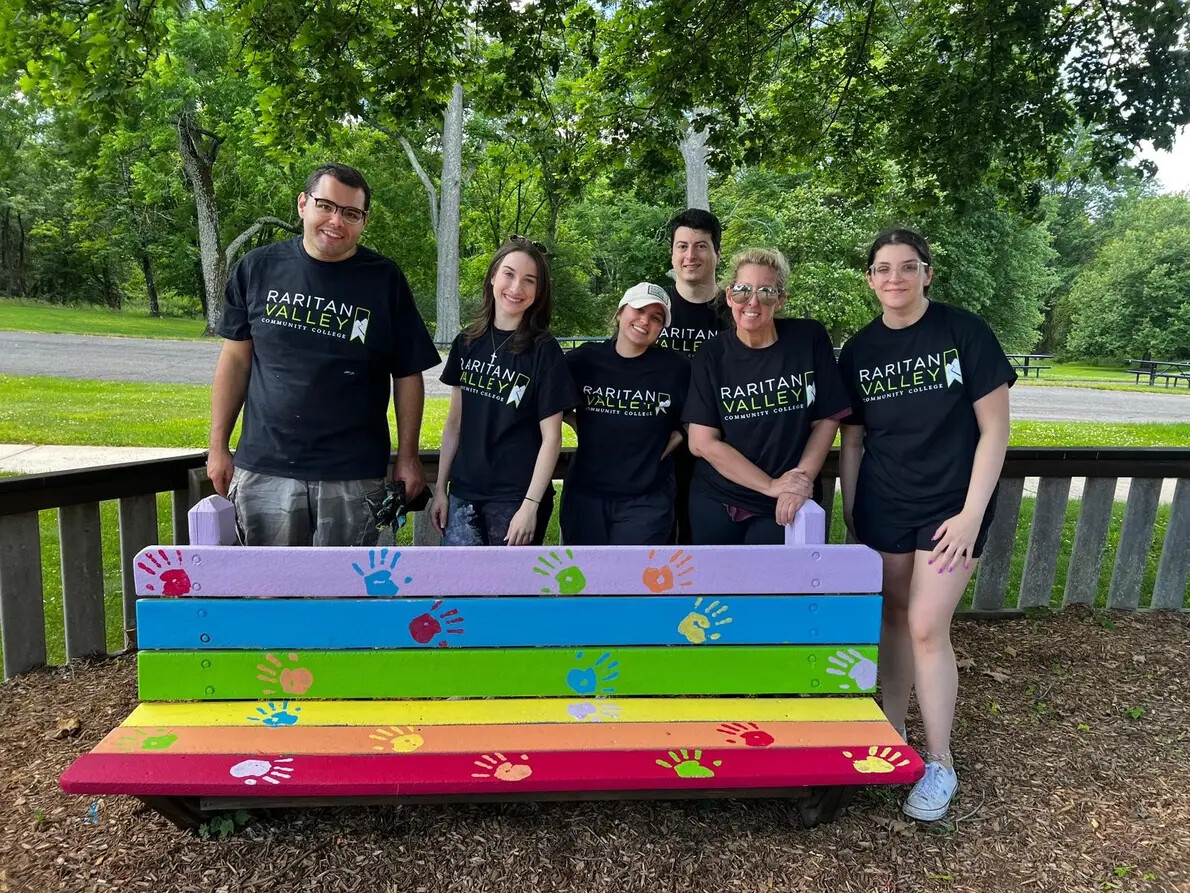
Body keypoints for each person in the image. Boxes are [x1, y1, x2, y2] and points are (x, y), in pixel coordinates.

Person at [837, 227, 1015, 822]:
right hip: (885, 504)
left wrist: (971, 514)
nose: (895, 278)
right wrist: (855, 512)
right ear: (870, 279)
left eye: (907, 267)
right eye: (883, 268)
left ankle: (939, 760)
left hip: (951, 508)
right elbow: (854, 440)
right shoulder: (859, 350)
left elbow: (995, 430)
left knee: (924, 625)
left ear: (927, 273)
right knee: (890, 616)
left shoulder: (963, 332)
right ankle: (890, 733)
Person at [207, 162, 439, 546]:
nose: (336, 221)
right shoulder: (257, 268)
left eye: (351, 213)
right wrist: (218, 446)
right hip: (266, 467)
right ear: (303, 204)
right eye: (326, 206)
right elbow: (235, 362)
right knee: (270, 595)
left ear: (364, 221)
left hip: (355, 474)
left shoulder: (385, 280)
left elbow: (408, 373)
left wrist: (408, 456)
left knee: (352, 598)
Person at [682, 248, 851, 544]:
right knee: (717, 589)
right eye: (743, 289)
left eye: (767, 292)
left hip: (787, 501)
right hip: (719, 497)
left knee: (778, 588)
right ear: (729, 295)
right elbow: (701, 442)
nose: (753, 301)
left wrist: (800, 480)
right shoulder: (712, 354)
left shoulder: (808, 339)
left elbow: (828, 418)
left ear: (781, 299)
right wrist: (770, 484)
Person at [431, 237, 577, 546]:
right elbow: (454, 424)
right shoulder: (467, 342)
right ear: (493, 276)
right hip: (463, 495)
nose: (516, 287)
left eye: (529, 280)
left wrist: (530, 506)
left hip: (514, 499)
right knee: (460, 592)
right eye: (509, 274)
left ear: (538, 293)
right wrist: (441, 489)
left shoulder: (544, 351)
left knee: (507, 593)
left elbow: (552, 438)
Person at [561, 283, 691, 545]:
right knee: (582, 579)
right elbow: (547, 400)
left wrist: (672, 442)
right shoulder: (583, 360)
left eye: (656, 318)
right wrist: (579, 425)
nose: (645, 320)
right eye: (639, 309)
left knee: (633, 581)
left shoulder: (677, 368)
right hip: (586, 494)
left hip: (646, 498)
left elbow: (695, 418)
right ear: (620, 312)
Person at [655, 208, 732, 543]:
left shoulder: (737, 312)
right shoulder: (652, 311)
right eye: (682, 246)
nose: (690, 255)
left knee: (705, 555)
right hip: (659, 449)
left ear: (717, 252)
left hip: (721, 450)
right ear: (672, 253)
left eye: (701, 246)